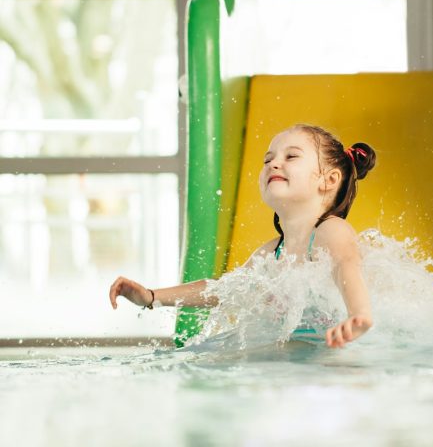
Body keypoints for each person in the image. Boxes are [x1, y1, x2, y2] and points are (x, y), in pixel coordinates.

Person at [109, 124, 376, 349]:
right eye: (268, 160)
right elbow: (223, 290)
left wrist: (359, 314)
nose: (274, 164)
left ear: (329, 180)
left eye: (291, 157)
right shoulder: (272, 252)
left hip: (338, 351)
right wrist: (152, 297)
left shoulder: (330, 230)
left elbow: (346, 264)